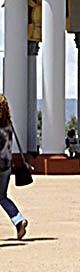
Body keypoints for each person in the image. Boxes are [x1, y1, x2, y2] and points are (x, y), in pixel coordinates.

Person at [0, 93, 29, 239]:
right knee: (2, 196)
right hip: (6, 166)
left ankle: (18, 220)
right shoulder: (8, 125)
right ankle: (18, 219)